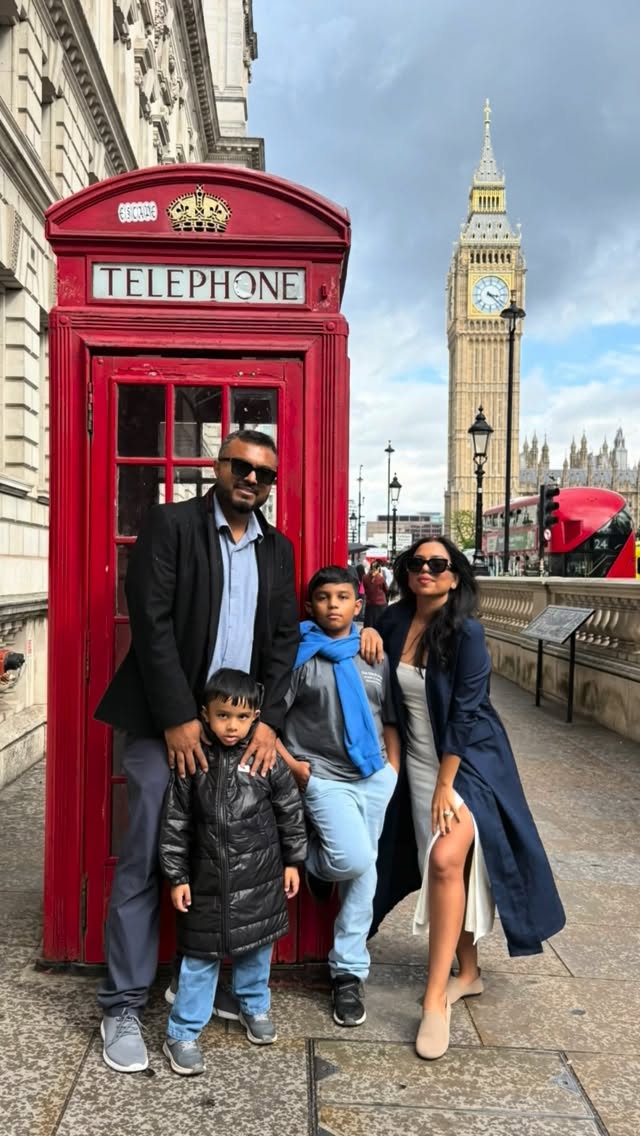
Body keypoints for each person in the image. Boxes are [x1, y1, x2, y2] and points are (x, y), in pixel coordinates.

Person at [94, 428, 300, 1073]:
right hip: (168, 725)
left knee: (237, 860)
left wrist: (270, 722)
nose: (251, 479)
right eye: (240, 466)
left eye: (264, 473)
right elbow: (150, 621)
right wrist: (178, 718)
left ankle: (225, 988)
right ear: (218, 466)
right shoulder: (173, 525)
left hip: (241, 733)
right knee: (146, 856)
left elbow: (284, 640)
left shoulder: (278, 549)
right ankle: (123, 1003)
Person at [367, 537, 565, 1060]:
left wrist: (444, 785)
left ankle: (435, 999)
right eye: (417, 563)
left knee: (444, 858)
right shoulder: (391, 621)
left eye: (439, 564)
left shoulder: (467, 632)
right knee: (441, 870)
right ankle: (469, 971)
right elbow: (385, 695)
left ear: (455, 577)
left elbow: (467, 711)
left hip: (468, 762)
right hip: (415, 762)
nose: (427, 571)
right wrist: (365, 630)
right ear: (406, 572)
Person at [159, 668, 307, 1075]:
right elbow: (175, 822)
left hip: (260, 878)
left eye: (242, 717)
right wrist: (177, 876)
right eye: (223, 715)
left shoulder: (265, 759)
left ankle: (253, 1006)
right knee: (199, 959)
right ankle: (182, 1032)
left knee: (257, 950)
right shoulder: (194, 762)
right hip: (205, 882)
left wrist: (293, 862)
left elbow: (290, 812)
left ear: (256, 716)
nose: (232, 726)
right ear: (205, 714)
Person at [277, 566, 400, 1028]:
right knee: (355, 861)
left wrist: (392, 770)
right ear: (310, 606)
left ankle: (348, 971)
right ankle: (315, 864)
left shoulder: (373, 653)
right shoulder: (299, 655)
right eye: (324, 597)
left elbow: (390, 716)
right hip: (323, 777)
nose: (333, 605)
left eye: (343, 597)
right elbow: (268, 722)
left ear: (358, 604)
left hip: (374, 775)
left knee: (364, 874)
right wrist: (296, 771)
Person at [362, 561, 388, 628]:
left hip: (370, 603)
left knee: (369, 623)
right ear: (378, 568)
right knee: (380, 623)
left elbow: (364, 588)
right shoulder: (380, 578)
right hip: (380, 604)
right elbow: (386, 590)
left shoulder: (364, 577)